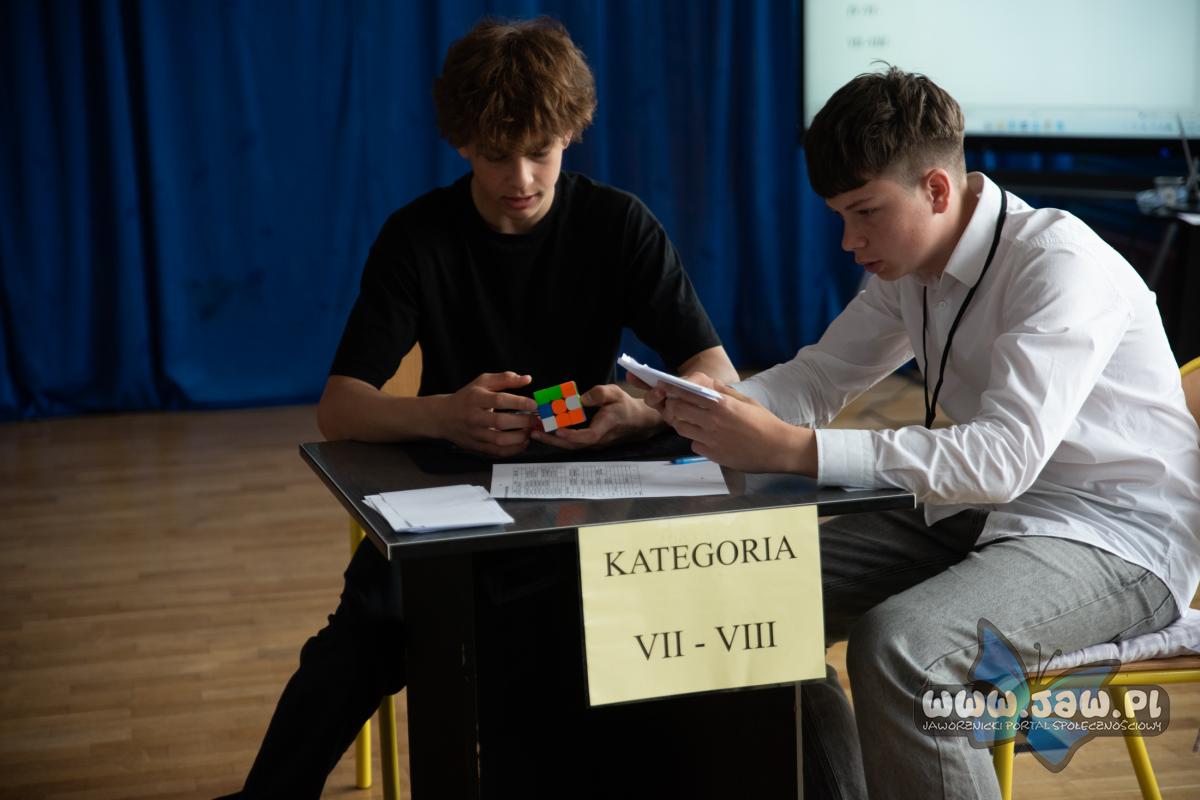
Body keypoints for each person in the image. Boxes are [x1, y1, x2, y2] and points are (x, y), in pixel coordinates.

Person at [647, 66, 1200, 799]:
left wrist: (793, 451)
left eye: (865, 212)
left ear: (937, 189)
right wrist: (695, 405)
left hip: (1116, 537)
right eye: (839, 216)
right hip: (982, 511)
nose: (849, 240)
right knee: (745, 593)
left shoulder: (1059, 264)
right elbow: (819, 379)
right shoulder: (908, 267)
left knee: (904, 648)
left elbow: (1001, 459)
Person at [225, 17, 736, 800]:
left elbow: (716, 375)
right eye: (497, 155)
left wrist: (641, 411)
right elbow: (341, 406)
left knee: (560, 649)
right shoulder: (417, 237)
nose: (521, 178)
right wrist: (443, 416)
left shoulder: (617, 224)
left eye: (542, 152)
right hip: (449, 495)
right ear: (463, 142)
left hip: (584, 501)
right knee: (365, 630)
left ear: (572, 134)